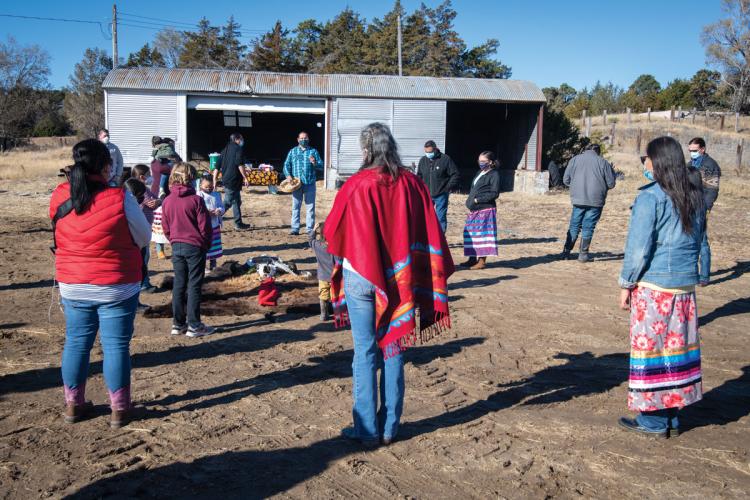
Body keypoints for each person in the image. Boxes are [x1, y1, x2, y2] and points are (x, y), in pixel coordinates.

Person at [324, 122, 455, 447]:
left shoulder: (356, 185)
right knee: (394, 347)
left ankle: (366, 430)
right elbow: (430, 227)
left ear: (366, 149)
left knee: (365, 351)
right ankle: (389, 427)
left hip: (360, 279)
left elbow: (332, 231)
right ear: (392, 147)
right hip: (401, 280)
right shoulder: (412, 184)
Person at [50, 139, 151, 428]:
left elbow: (58, 232)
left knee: (76, 343)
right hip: (116, 283)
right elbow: (143, 237)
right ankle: (119, 409)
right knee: (116, 346)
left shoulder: (59, 195)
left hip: (73, 282)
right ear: (106, 166)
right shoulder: (119, 196)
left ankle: (73, 405)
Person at [618, 136, 706, 438]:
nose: (645, 163)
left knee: (651, 352)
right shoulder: (694, 195)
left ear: (658, 161)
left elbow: (639, 248)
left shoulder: (650, 197)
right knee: (676, 352)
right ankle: (671, 415)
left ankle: (653, 420)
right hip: (684, 288)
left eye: (647, 158)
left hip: (654, 288)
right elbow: (698, 242)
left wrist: (626, 282)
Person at [161, 163, 214, 338]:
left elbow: (165, 226)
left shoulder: (167, 200)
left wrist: (173, 241)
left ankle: (178, 324)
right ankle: (194, 325)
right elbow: (205, 228)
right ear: (191, 179)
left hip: (177, 246)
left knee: (179, 284)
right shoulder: (196, 200)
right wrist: (205, 244)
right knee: (194, 285)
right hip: (195, 246)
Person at [561, 143, 616, 262]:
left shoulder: (574, 160)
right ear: (598, 152)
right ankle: (583, 255)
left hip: (578, 200)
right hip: (596, 201)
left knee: (574, 226)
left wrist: (576, 187)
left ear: (584, 150)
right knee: (589, 227)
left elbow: (566, 180)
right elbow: (611, 184)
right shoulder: (603, 162)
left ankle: (566, 252)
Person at [461, 151, 502, 270]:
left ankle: (482, 261)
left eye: (483, 161)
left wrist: (477, 200)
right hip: (474, 209)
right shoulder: (480, 172)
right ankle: (472, 258)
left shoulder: (494, 175)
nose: (481, 163)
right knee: (470, 233)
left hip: (485, 209)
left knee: (482, 234)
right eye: (479, 161)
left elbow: (495, 193)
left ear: (490, 162)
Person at [687, 137, 720, 286]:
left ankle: (704, 276)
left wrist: (706, 208)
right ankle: (692, 272)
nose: (692, 153)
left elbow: (712, 190)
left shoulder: (710, 165)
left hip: (701, 207)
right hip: (688, 206)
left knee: (702, 241)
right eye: (690, 151)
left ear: (702, 149)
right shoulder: (690, 164)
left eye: (694, 150)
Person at [416, 140, 460, 233]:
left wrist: (447, 187)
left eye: (430, 152)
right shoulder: (423, 160)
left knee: (440, 217)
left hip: (441, 194)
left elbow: (455, 174)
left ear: (435, 149)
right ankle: (427, 237)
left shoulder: (445, 159)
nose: (428, 154)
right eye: (426, 152)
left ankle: (441, 238)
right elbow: (419, 176)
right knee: (426, 216)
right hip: (427, 194)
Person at [283, 131, 323, 235]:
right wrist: (288, 176)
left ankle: (309, 229)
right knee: (296, 206)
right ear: (298, 139)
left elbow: (321, 166)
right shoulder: (293, 151)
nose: (303, 140)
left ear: (308, 139)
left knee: (310, 207)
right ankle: (295, 228)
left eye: (305, 138)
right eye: (301, 138)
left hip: (309, 183)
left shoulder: (313, 151)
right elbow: (286, 165)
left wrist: (314, 163)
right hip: (296, 184)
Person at [130, 165, 160, 292]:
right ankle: (143, 283)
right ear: (142, 177)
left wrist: (159, 200)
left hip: (143, 227)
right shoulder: (140, 190)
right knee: (144, 257)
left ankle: (143, 282)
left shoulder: (143, 189)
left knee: (144, 256)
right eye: (149, 174)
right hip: (141, 229)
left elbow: (155, 199)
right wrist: (160, 201)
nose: (151, 177)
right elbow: (152, 203)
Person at [219, 133, 249, 230]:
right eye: (241, 139)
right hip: (233, 180)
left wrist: (215, 179)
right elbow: (239, 164)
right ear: (237, 139)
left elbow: (217, 166)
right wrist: (245, 177)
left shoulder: (225, 149)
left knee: (237, 201)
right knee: (227, 202)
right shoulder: (238, 149)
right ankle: (212, 218)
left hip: (227, 179)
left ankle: (238, 223)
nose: (242, 141)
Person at [197, 176, 225, 271]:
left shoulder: (216, 194)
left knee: (214, 246)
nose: (209, 188)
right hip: (203, 226)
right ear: (200, 185)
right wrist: (206, 212)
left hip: (215, 225)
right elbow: (197, 209)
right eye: (206, 187)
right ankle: (203, 266)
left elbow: (222, 206)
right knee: (203, 247)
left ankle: (213, 265)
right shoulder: (198, 195)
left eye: (211, 186)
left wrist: (219, 211)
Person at [309, 220, 335, 321]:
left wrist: (314, 230)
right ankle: (338, 314)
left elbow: (310, 240)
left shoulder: (317, 245)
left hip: (322, 276)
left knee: (323, 294)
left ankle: (324, 314)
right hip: (334, 276)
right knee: (335, 295)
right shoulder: (333, 247)